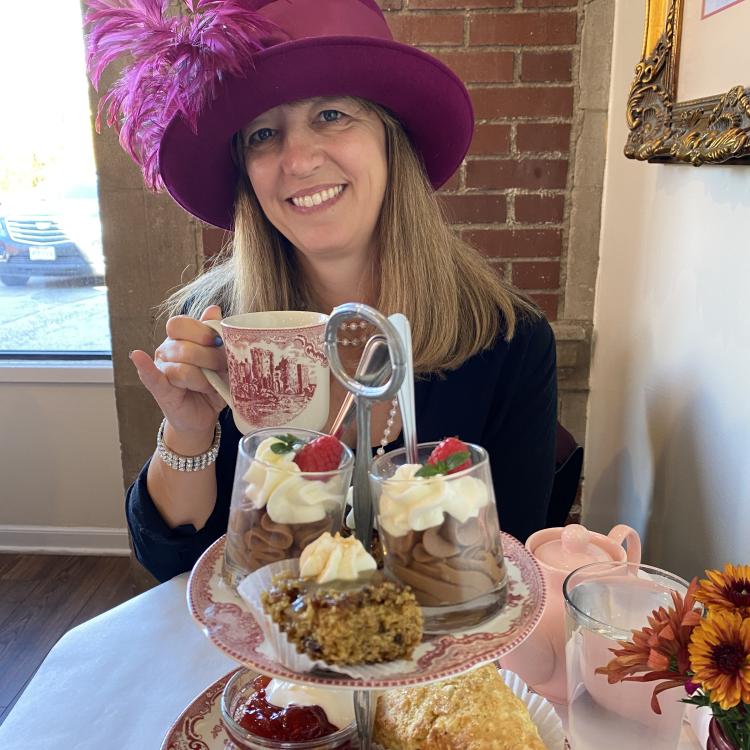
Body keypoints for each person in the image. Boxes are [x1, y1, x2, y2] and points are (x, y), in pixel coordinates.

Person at [85, 0, 557, 583]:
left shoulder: (507, 338)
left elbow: (502, 565)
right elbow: (174, 561)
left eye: (331, 115)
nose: (299, 160)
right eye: (263, 133)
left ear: (392, 141)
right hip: (269, 663)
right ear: (246, 174)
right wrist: (189, 431)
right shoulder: (220, 327)